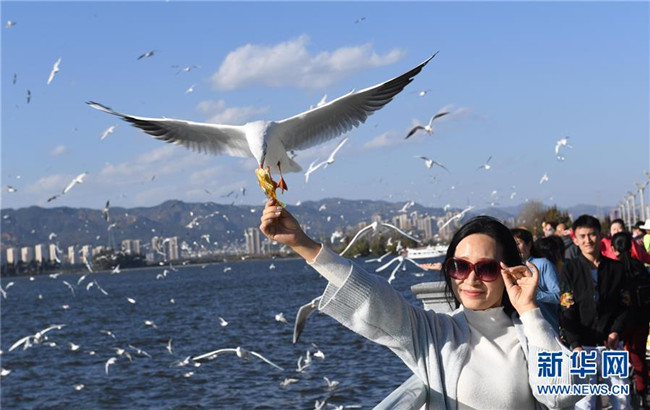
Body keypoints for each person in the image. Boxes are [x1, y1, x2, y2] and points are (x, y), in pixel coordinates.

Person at [260, 201, 582, 409]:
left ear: (509, 272)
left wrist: (529, 311)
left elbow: (561, 393)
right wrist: (303, 244)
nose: (470, 279)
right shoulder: (436, 333)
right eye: (459, 266)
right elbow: (374, 298)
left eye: (485, 269)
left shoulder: (529, 334)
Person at [559, 215, 629, 410]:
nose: (587, 240)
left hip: (612, 345)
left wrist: (615, 331)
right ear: (575, 240)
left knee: (622, 399)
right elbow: (566, 308)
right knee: (584, 403)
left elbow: (624, 304)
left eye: (591, 234)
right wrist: (575, 344)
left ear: (600, 236)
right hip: (583, 347)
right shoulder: (569, 269)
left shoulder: (616, 268)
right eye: (582, 236)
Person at [611, 232, 650, 408]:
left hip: (620, 323)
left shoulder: (613, 269)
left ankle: (622, 394)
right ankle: (642, 394)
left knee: (618, 357)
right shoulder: (640, 267)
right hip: (641, 320)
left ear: (613, 248)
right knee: (639, 358)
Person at [511, 228, 561, 335]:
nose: (514, 248)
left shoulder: (543, 264)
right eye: (511, 244)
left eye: (518, 243)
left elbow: (559, 296)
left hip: (546, 328)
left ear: (529, 245)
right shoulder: (508, 269)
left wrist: (533, 293)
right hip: (518, 331)